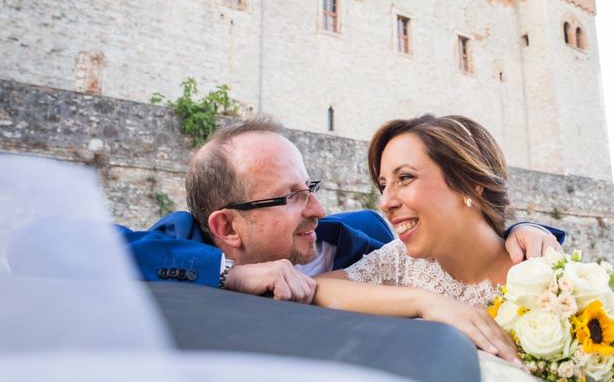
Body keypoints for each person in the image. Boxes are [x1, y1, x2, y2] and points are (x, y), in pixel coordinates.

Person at [119, 118, 564, 306]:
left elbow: (461, 240)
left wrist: (521, 228)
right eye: (291, 196)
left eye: (309, 187)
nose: (320, 208)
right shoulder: (182, 242)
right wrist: (226, 274)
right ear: (226, 227)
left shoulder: (366, 238)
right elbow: (64, 242)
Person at [308, 114, 560, 364]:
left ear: (470, 184)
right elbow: (317, 288)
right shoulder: (400, 261)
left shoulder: (549, 278)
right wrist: (425, 302)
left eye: (405, 177)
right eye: (383, 185)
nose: (384, 202)